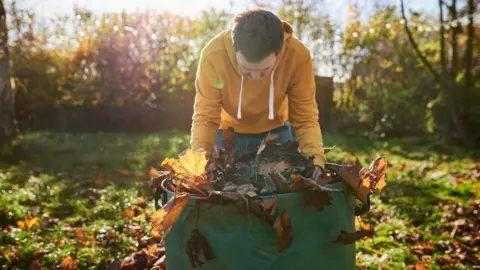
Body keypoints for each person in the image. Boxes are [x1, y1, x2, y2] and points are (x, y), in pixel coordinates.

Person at [190, 7, 326, 180]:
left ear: (280, 51)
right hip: (226, 136)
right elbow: (205, 117)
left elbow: (305, 117)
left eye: (264, 71)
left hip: (276, 134)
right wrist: (198, 162)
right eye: (246, 69)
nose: (255, 77)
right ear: (234, 48)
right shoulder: (213, 56)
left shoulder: (298, 56)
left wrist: (315, 159)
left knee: (279, 192)